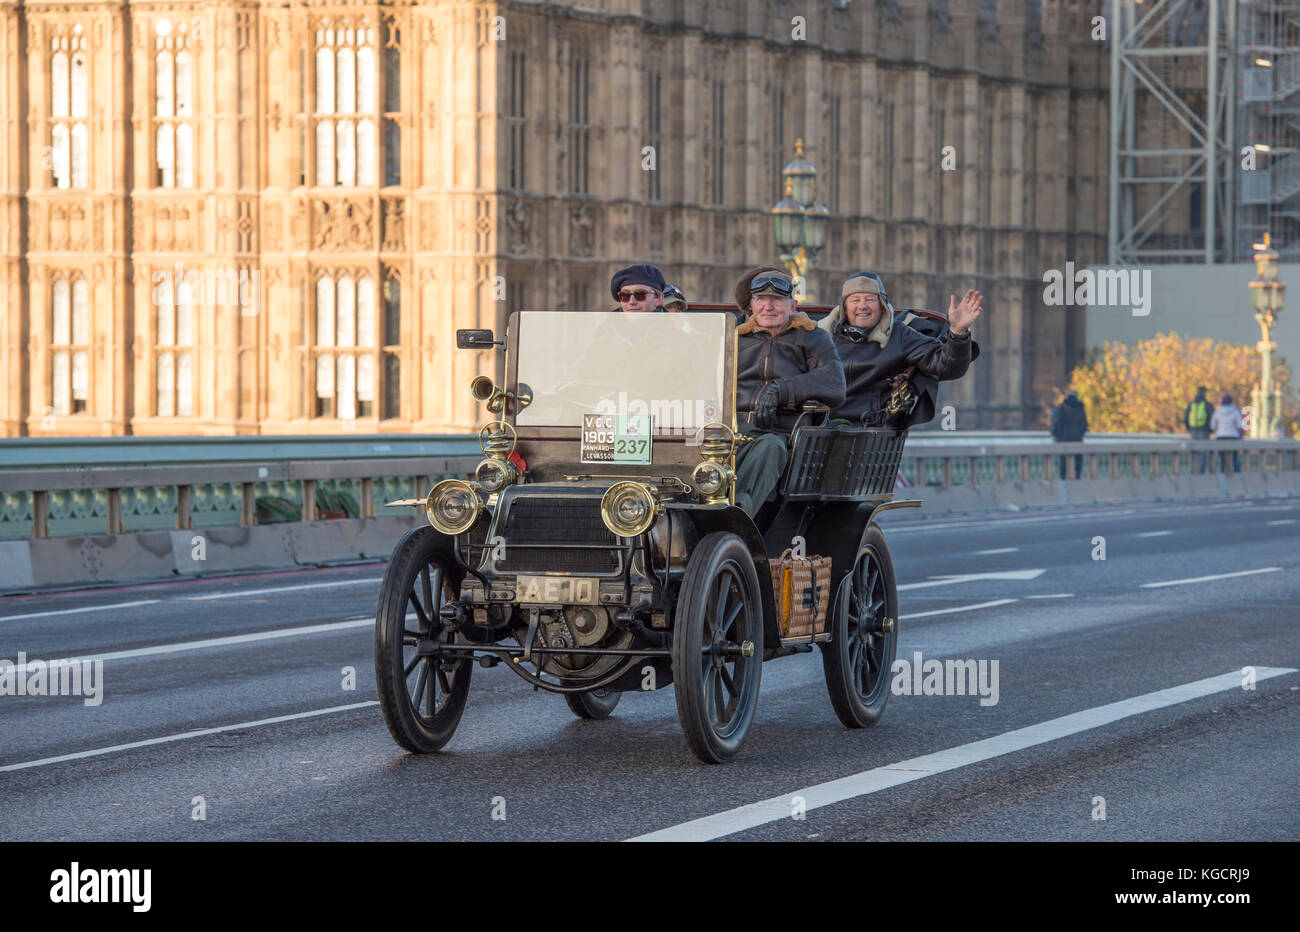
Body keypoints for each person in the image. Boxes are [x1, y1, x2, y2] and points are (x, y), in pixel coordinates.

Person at [732, 266, 846, 517]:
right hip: (732, 428)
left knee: (770, 447)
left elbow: (834, 384)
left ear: (792, 306)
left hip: (783, 432)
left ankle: (737, 515)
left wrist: (781, 389)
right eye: (761, 299)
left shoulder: (813, 338)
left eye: (776, 300)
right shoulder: (734, 339)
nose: (768, 307)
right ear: (751, 305)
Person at [818, 270, 979, 429]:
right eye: (855, 300)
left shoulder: (899, 335)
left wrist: (958, 332)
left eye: (870, 299)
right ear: (844, 307)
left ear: (882, 306)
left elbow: (946, 366)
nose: (863, 306)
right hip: (819, 426)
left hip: (869, 430)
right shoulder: (821, 335)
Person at [1050, 390, 1089, 478]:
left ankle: (1063, 480)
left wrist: (1057, 436)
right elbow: (1084, 425)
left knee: (1063, 464)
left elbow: (1055, 425)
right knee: (1077, 463)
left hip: (1063, 440)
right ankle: (1077, 478)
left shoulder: (1061, 409)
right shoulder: (1080, 409)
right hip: (1077, 440)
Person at [1210, 393, 1244, 473]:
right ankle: (1236, 474)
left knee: (1222, 459)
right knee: (1234, 458)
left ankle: (1222, 474)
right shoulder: (1235, 412)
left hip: (1221, 437)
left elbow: (1212, 427)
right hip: (1233, 437)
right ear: (1231, 402)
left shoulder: (1217, 412)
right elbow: (1240, 425)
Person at [1184, 386, 1214, 473]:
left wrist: (1189, 428)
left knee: (1193, 452)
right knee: (1203, 453)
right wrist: (1210, 430)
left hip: (1193, 431)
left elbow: (1186, 417)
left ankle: (1192, 470)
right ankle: (1201, 472)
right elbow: (1212, 418)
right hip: (1204, 431)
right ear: (1205, 393)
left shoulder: (1191, 404)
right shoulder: (1207, 405)